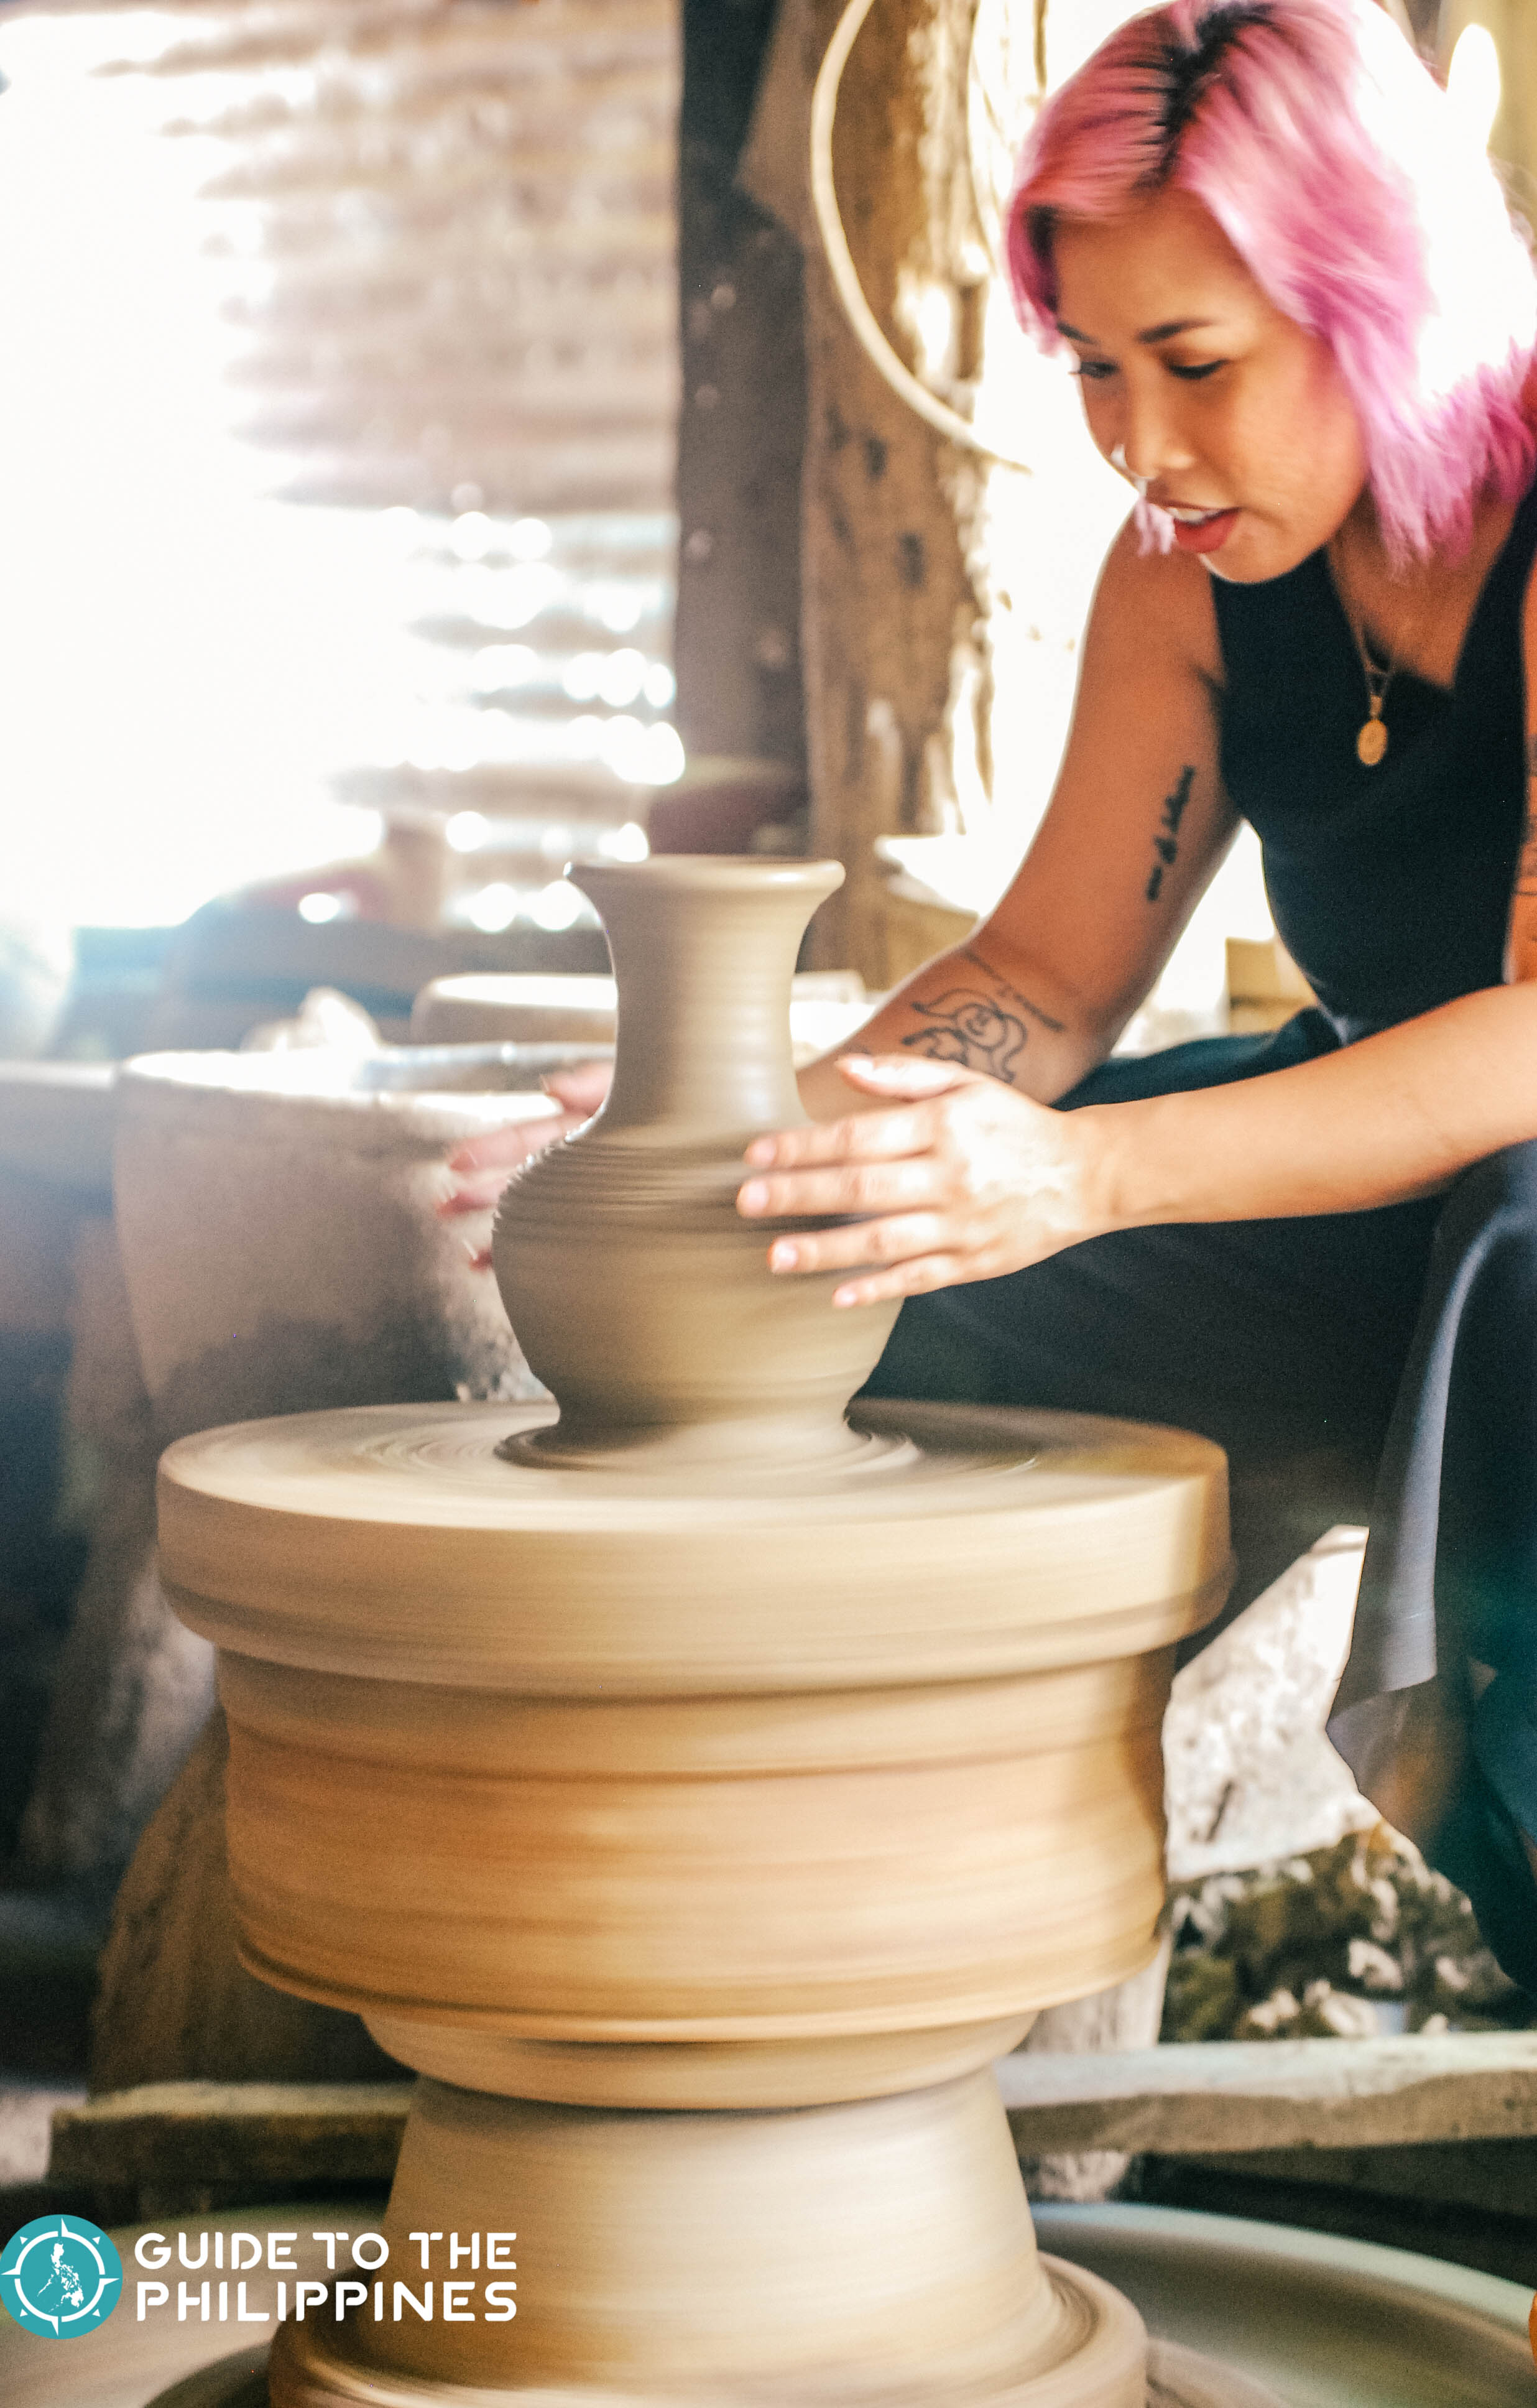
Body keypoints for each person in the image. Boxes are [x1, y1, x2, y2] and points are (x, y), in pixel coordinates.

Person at [446, 0, 1537, 1995]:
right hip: (1389, 1141)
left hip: (1524, 1208)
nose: (1139, 444)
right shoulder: (1187, 575)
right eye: (1099, 371)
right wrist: (729, 1134)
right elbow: (1042, 978)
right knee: (875, 1265)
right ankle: (843, 1964)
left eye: (1196, 366)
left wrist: (1094, 1176)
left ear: (1379, 306)